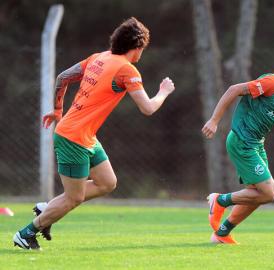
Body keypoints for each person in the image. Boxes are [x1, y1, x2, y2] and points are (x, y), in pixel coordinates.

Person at [13, 17, 175, 250]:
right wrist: (163, 91)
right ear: (137, 47)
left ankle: (48, 208)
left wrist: (58, 109)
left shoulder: (99, 57)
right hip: (73, 138)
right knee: (74, 198)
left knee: (108, 182)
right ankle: (27, 233)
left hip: (84, 135)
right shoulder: (127, 70)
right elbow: (148, 108)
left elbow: (63, 78)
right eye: (142, 49)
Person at [202, 49, 274, 244]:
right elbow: (233, 90)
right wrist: (214, 120)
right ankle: (220, 200)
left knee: (257, 196)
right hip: (242, 140)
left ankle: (221, 234)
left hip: (256, 144)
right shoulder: (273, 82)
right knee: (269, 193)